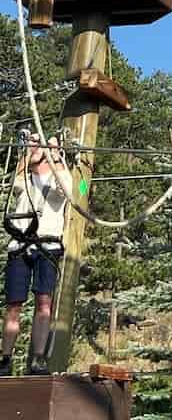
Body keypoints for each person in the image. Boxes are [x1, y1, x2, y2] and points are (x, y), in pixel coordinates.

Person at [0, 132, 69, 376]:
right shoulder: (24, 177)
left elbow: (74, 190)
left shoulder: (61, 176)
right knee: (14, 305)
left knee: (44, 303)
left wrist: (54, 154)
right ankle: (6, 358)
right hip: (21, 245)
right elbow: (16, 185)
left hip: (47, 246)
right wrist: (28, 151)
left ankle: (38, 358)